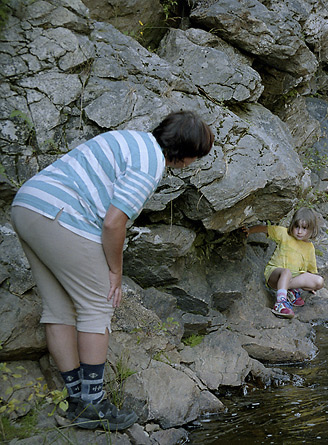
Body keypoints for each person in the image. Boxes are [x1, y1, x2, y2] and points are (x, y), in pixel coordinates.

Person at [10, 110, 214, 431]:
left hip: (27, 205)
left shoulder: (131, 138)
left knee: (58, 309)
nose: (192, 164)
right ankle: (93, 403)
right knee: (98, 304)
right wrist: (115, 273)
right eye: (195, 157)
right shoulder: (151, 165)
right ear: (184, 154)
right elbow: (113, 222)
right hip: (61, 215)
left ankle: (75, 401)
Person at [244, 207, 324, 319]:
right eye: (297, 227)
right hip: (275, 274)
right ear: (292, 225)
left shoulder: (309, 248)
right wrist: (249, 231)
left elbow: (310, 270)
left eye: (304, 228)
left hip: (292, 280)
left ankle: (289, 291)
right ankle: (280, 303)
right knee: (287, 272)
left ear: (312, 230)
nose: (300, 232)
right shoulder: (284, 234)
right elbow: (265, 229)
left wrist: (309, 285)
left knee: (319, 281)